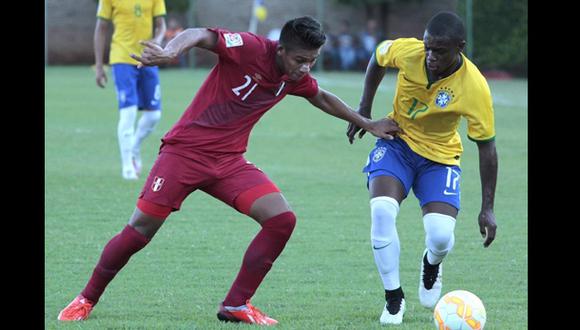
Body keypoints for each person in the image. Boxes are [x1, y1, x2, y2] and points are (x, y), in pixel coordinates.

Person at [58, 16, 401, 324]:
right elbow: (199, 33)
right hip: (184, 154)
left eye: (312, 61)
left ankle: (236, 304)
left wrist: (365, 122)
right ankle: (86, 298)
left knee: (281, 219)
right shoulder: (250, 48)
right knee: (140, 230)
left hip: (229, 163)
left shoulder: (294, 76)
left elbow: (321, 97)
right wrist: (171, 50)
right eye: (300, 60)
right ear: (280, 50)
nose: (306, 68)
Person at [346, 11, 498, 325]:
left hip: (440, 157)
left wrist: (488, 208)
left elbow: (487, 148)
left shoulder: (474, 87)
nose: (430, 56)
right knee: (382, 210)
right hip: (396, 143)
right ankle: (393, 299)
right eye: (428, 47)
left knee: (441, 236)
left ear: (460, 47)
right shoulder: (408, 51)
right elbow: (377, 58)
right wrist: (364, 109)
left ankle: (432, 262)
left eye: (439, 51)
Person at [94, 0, 167, 180]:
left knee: (154, 115)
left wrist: (156, 42)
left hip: (147, 59)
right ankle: (127, 167)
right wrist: (98, 65)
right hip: (122, 58)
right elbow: (101, 28)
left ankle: (133, 147)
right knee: (129, 114)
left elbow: (161, 26)